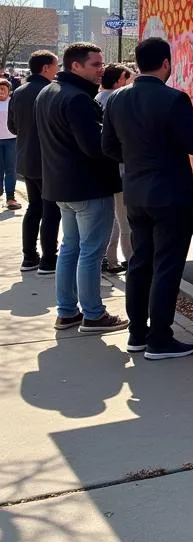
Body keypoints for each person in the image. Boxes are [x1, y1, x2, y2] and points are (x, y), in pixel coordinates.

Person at [102, 37, 193, 359]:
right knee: (167, 266)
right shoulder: (174, 99)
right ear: (166, 63)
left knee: (140, 262)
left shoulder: (117, 99)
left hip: (136, 191)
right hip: (170, 193)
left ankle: (137, 333)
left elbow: (107, 147)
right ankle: (160, 337)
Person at [35, 43, 127, 334]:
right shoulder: (77, 99)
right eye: (95, 64)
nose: (101, 69)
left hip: (62, 186)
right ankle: (93, 314)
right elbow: (96, 147)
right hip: (88, 187)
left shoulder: (48, 92)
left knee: (71, 249)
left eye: (101, 64)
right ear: (75, 66)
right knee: (88, 251)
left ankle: (67, 312)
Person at [7, 50, 60, 272]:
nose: (58, 70)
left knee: (34, 208)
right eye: (56, 66)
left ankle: (29, 256)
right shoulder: (50, 92)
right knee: (50, 211)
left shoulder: (19, 91)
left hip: (27, 158)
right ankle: (49, 259)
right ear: (46, 67)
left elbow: (12, 127)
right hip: (48, 160)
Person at [97, 63, 133, 275]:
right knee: (124, 218)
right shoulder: (118, 100)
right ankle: (128, 258)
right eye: (128, 79)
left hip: (103, 167)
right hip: (119, 167)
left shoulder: (97, 98)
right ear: (120, 80)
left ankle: (109, 258)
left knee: (112, 218)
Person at [0, 79, 18, 209]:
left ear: (9, 91)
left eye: (3, 89)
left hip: (12, 140)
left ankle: (10, 198)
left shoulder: (13, 103)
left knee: (11, 170)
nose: (1, 92)